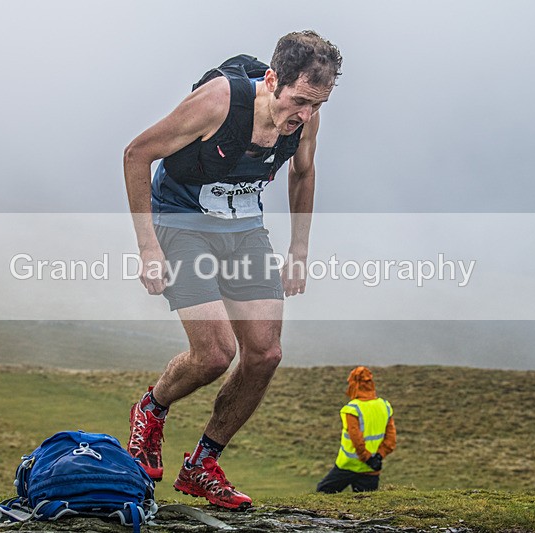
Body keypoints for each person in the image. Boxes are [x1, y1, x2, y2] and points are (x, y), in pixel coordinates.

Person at [122, 31, 342, 509]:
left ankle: (202, 463)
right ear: (272, 80)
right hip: (179, 222)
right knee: (215, 354)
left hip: (242, 228)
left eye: (317, 104)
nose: (304, 116)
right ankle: (151, 409)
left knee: (265, 354)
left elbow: (303, 172)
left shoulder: (308, 120)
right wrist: (147, 247)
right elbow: (137, 154)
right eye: (300, 101)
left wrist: (298, 249)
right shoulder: (219, 101)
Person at [317, 366, 397, 493]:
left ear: (354, 384)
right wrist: (378, 457)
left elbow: (356, 438)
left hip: (348, 466)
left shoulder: (352, 409)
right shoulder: (385, 406)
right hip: (371, 469)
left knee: (323, 492)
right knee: (366, 506)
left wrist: (366, 458)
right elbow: (391, 438)